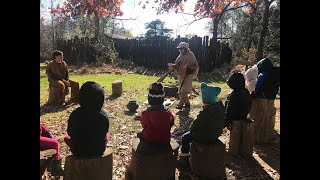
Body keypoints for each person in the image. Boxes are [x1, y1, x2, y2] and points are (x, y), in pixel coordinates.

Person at [177, 82, 225, 168]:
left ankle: (184, 159)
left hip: (204, 136)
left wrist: (192, 130)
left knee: (184, 137)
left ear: (205, 100)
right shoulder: (220, 109)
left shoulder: (206, 112)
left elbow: (195, 125)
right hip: (215, 135)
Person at [64, 81, 110, 158]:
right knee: (108, 135)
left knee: (66, 138)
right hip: (98, 150)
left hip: (78, 151)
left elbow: (70, 133)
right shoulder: (103, 115)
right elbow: (105, 131)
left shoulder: (75, 114)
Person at [136, 82, 175, 155]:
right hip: (164, 139)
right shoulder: (169, 113)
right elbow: (171, 123)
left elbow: (143, 125)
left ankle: (142, 152)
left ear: (149, 100)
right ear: (163, 99)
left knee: (139, 134)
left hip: (149, 139)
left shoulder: (145, 113)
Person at [168, 42, 199, 110]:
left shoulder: (190, 55)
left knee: (184, 91)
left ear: (185, 49)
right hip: (182, 74)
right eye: (179, 49)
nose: (180, 50)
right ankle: (187, 105)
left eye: (181, 49)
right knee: (182, 90)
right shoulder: (180, 55)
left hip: (188, 75)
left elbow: (195, 65)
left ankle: (180, 105)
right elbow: (178, 64)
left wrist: (188, 67)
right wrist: (173, 65)